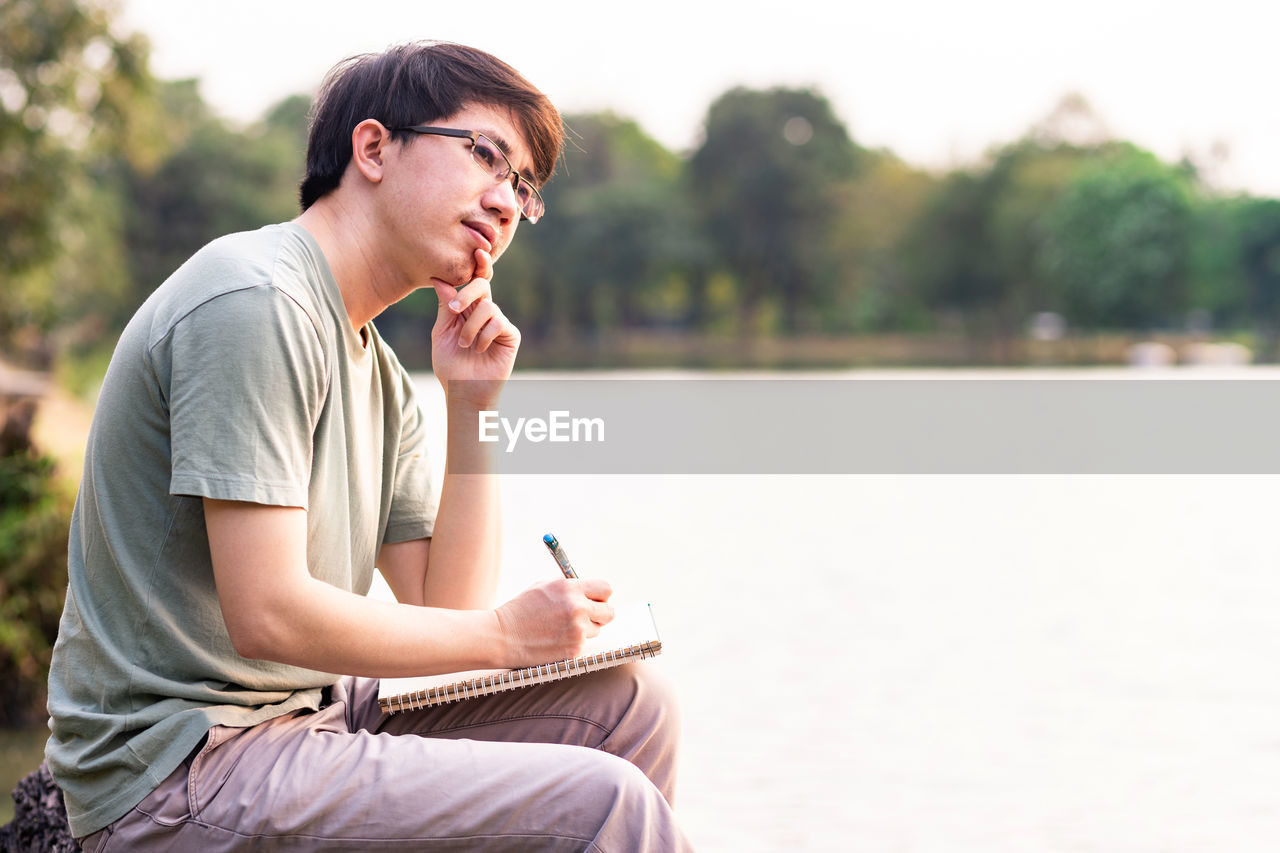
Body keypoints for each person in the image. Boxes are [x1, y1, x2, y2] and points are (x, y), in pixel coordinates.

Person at [45, 41, 693, 852]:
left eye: (523, 189)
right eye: (487, 156)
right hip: (179, 769)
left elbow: (443, 614)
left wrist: (471, 406)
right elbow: (269, 613)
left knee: (632, 703)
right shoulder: (256, 299)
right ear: (375, 148)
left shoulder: (375, 365)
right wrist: (508, 635)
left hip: (302, 716)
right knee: (604, 805)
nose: (504, 201)